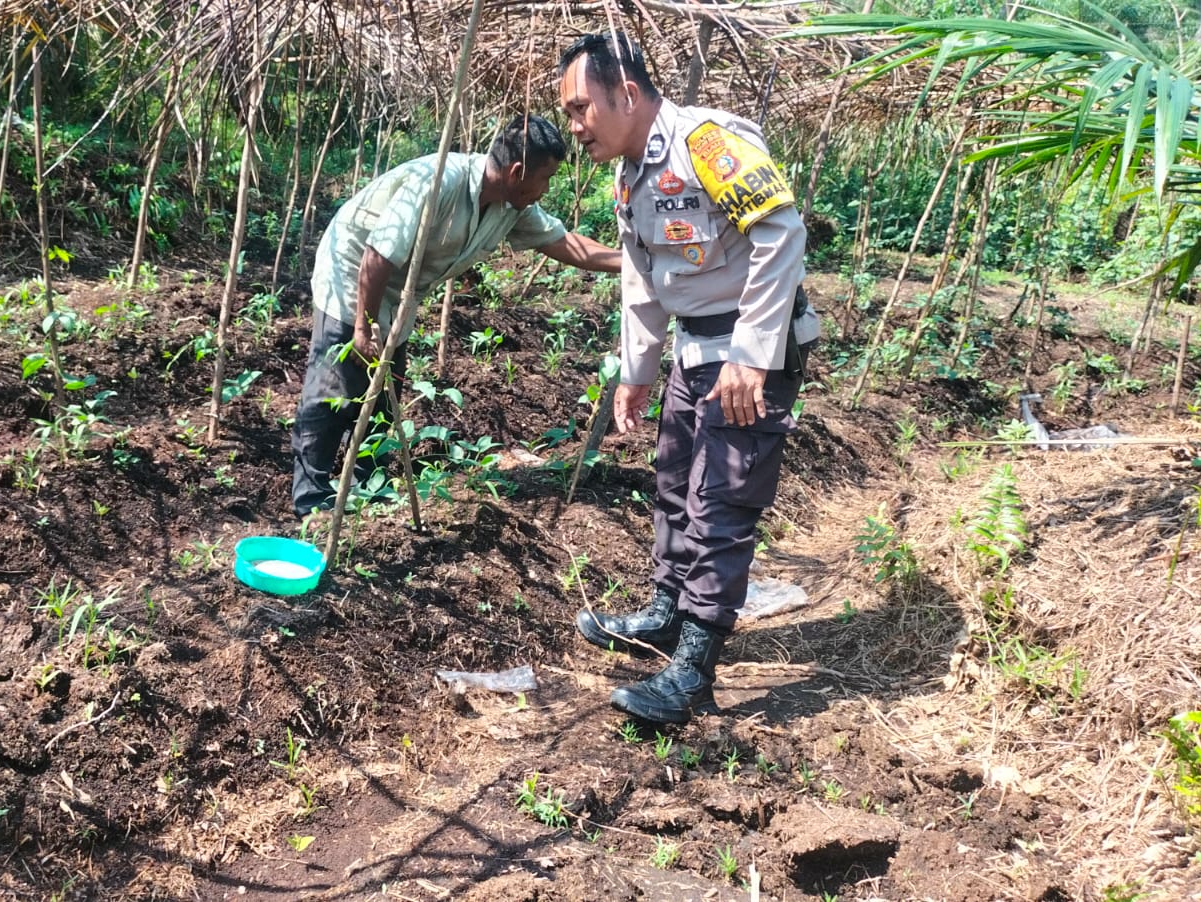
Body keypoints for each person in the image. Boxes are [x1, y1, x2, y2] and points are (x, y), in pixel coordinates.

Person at [557, 33, 819, 724]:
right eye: (569, 113)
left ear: (628, 95)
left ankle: (696, 669)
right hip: (694, 351)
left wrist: (752, 354)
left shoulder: (708, 145)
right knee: (673, 483)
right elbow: (642, 274)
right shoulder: (631, 173)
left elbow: (781, 233)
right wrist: (637, 371)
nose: (576, 126)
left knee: (721, 504)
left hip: (746, 354)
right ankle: (668, 615)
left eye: (582, 109)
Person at [291, 115, 621, 518]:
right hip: (354, 268)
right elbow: (376, 256)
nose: (546, 190)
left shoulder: (511, 206)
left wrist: (632, 263)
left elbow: (567, 244)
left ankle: (367, 489)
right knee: (336, 383)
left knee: (384, 387)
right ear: (517, 172)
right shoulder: (439, 182)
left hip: (401, 289)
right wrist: (362, 325)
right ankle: (311, 500)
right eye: (546, 178)